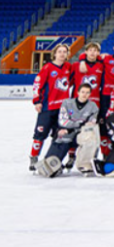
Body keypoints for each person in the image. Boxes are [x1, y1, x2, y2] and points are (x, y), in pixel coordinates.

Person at [31, 43, 74, 171]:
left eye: (64, 52)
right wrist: (36, 101)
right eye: (59, 51)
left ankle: (55, 159)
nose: (62, 54)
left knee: (60, 135)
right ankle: (34, 157)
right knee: (40, 133)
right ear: (54, 54)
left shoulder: (68, 67)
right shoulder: (47, 68)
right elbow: (37, 84)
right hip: (47, 108)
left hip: (63, 109)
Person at [45, 83, 99, 175]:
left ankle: (85, 165)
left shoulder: (93, 107)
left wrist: (71, 129)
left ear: (90, 94)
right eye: (82, 92)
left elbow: (89, 125)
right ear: (77, 92)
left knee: (90, 137)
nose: (84, 95)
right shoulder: (67, 103)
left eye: (87, 93)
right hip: (66, 132)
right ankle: (55, 165)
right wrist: (79, 124)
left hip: (80, 133)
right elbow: (63, 121)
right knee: (61, 138)